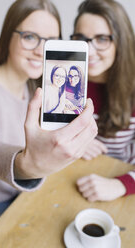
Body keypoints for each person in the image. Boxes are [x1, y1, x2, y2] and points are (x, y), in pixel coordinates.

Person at [0, 0, 97, 245]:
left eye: (49, 41)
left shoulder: (36, 90)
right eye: (30, 37)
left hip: (21, 199)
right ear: (9, 36)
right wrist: (26, 166)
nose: (41, 50)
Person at [70, 0, 135, 202]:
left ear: (121, 41)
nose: (89, 51)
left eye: (101, 39)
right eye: (81, 38)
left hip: (122, 182)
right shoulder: (64, 79)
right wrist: (75, 142)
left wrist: (121, 184)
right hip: (74, 176)